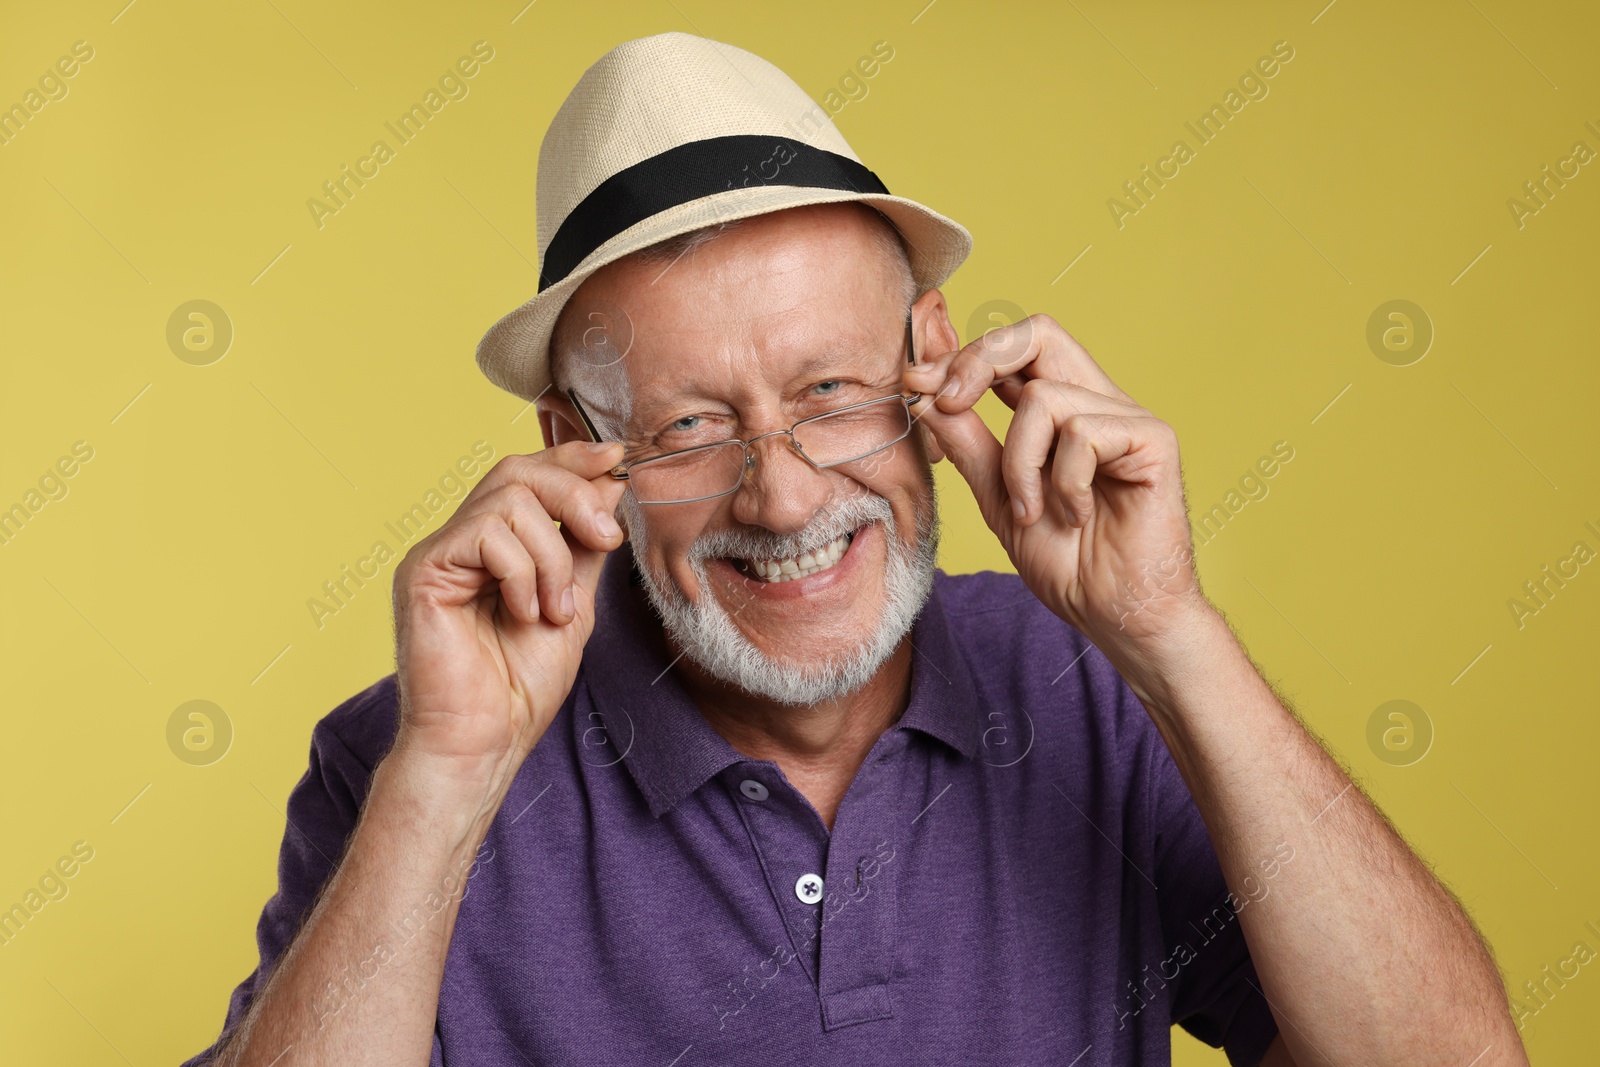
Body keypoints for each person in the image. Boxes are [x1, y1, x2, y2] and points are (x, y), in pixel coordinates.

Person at [184, 32, 1525, 1067]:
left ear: (932, 363)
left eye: (832, 393)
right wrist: (445, 782)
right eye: (693, 424)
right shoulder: (421, 751)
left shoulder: (1085, 691)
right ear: (568, 439)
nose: (782, 495)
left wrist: (1170, 636)